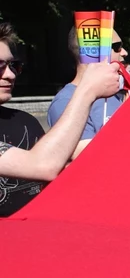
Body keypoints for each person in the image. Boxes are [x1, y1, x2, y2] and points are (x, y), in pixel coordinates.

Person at [0, 23, 121, 215]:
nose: (10, 74)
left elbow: (66, 171)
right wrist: (88, 90)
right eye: (0, 67)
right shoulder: (66, 99)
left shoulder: (25, 122)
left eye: (13, 65)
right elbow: (43, 166)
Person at [48, 27, 130, 159]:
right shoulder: (65, 102)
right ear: (92, 53)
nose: (124, 53)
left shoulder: (117, 95)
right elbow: (88, 158)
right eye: (117, 47)